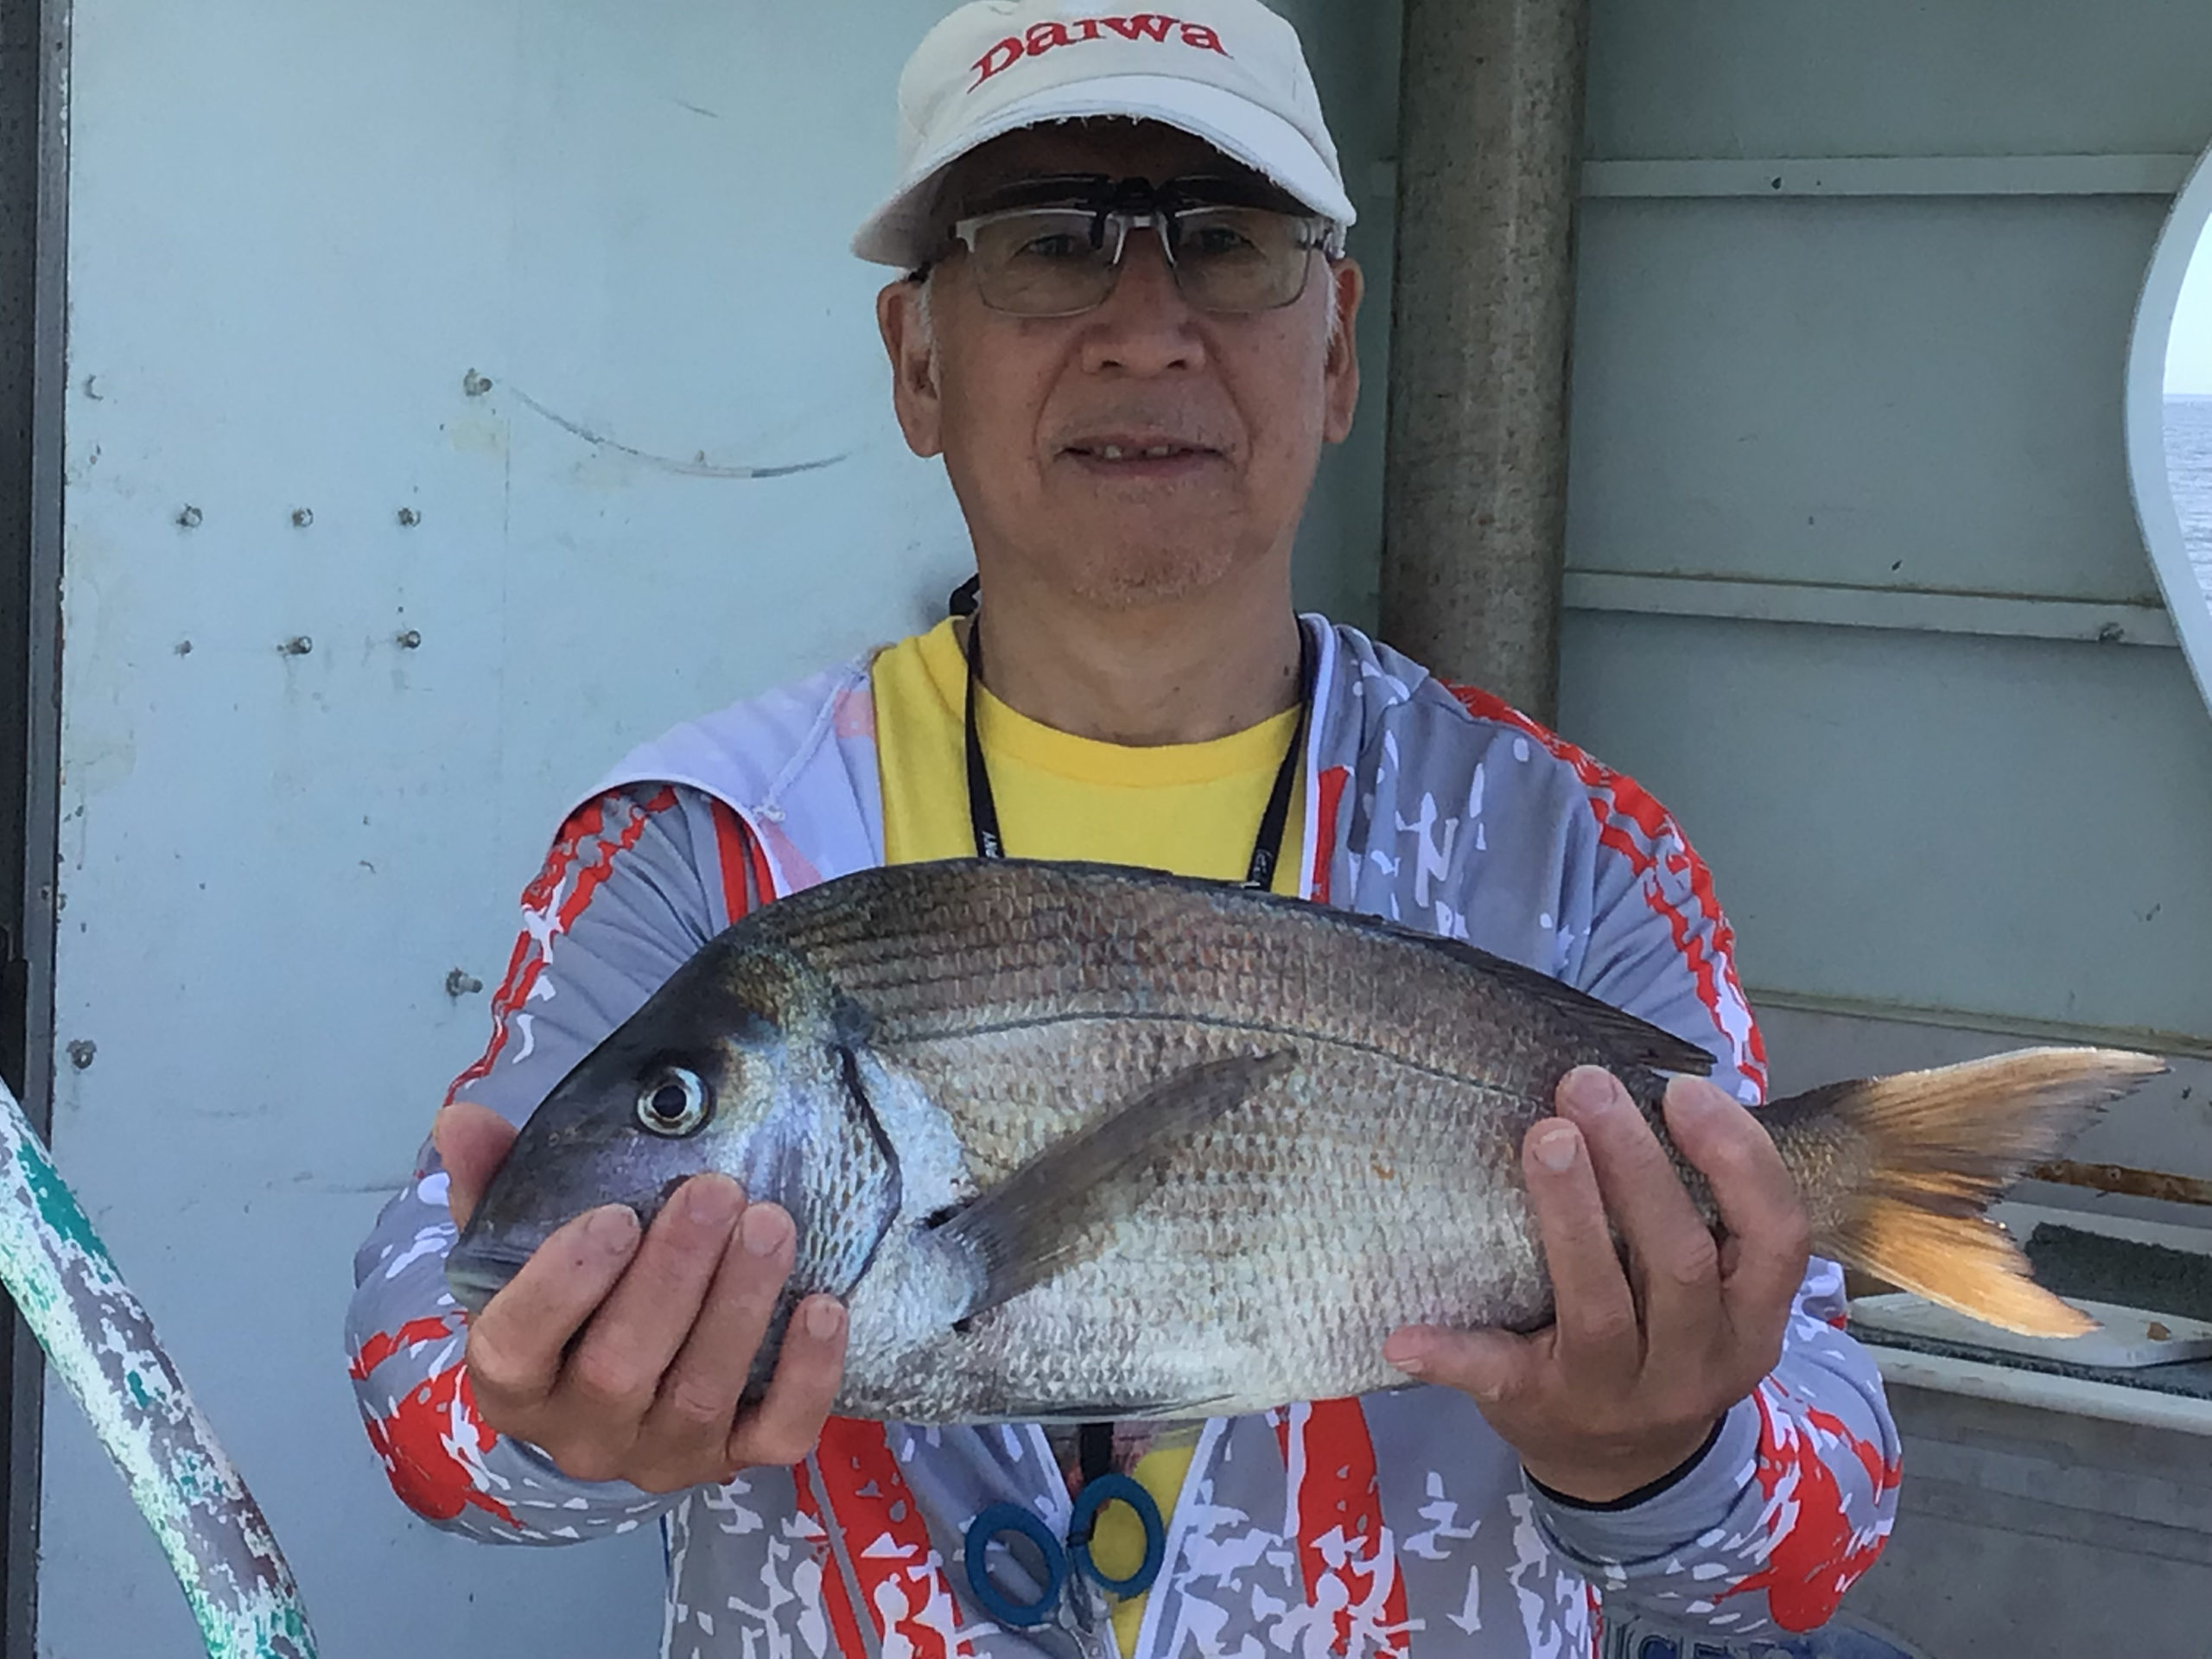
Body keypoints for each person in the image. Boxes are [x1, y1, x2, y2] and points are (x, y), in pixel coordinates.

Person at [346, 3, 1901, 1655]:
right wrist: (539, 1420)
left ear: (1342, 346)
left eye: (1228, 245)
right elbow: (422, 1377)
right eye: (1046, 243)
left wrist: (1646, 1454)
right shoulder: (700, 846)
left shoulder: (1569, 849)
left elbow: (1815, 1536)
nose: (1147, 329)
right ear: (917, 361)